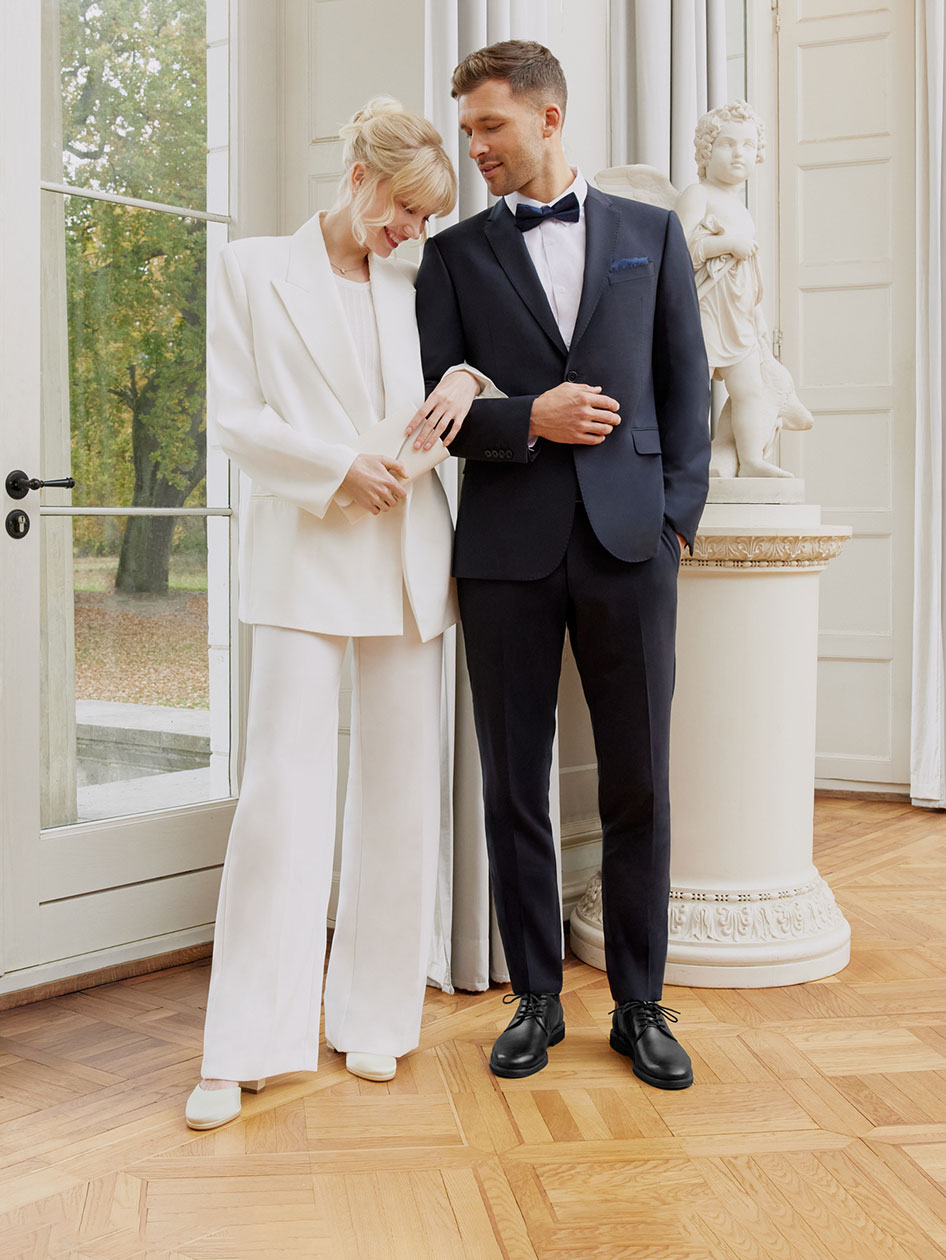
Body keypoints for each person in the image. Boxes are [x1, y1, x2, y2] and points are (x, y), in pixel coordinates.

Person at [414, 42, 710, 1090]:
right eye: (466, 126)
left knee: (640, 787)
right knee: (512, 784)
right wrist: (523, 419)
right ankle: (533, 998)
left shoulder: (650, 235)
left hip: (635, 545)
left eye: (490, 124)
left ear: (548, 118)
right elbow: (440, 416)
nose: (474, 146)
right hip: (504, 554)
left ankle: (639, 1006)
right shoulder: (451, 258)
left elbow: (687, 389)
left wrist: (678, 517)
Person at [186, 98, 482, 1130]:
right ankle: (244, 1045)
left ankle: (374, 1016)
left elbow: (477, 359)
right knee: (282, 797)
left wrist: (458, 375)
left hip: (409, 559)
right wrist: (332, 468)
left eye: (425, 219)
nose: (411, 231)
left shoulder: (421, 280)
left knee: (400, 793)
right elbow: (234, 415)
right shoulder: (251, 269)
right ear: (359, 171)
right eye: (404, 208)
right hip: (309, 551)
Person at [675, 101, 810, 478]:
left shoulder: (741, 208)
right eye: (727, 144)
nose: (739, 153)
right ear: (706, 150)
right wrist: (726, 243)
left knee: (750, 389)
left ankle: (750, 460)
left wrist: (758, 316)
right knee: (692, 392)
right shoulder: (696, 195)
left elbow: (748, 273)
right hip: (703, 310)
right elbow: (678, 253)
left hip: (739, 314)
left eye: (748, 146)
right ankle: (688, 466)